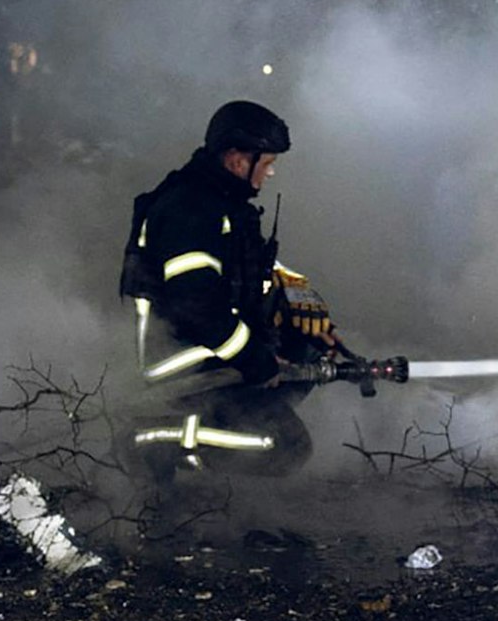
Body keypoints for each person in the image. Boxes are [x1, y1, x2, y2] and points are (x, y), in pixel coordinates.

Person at [120, 99, 344, 474]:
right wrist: (256, 359)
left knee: (308, 350)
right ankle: (151, 438)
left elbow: (241, 270)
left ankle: (230, 422)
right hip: (178, 364)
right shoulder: (188, 210)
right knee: (283, 446)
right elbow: (196, 307)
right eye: (267, 162)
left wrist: (295, 296)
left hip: (212, 352)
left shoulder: (223, 205)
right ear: (238, 158)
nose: (269, 173)